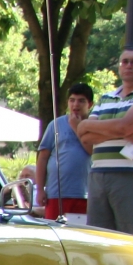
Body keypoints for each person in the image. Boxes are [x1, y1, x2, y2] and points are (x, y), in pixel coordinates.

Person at [75, 47, 133, 238]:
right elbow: (84, 134)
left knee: (132, 238)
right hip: (98, 175)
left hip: (132, 174)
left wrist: (119, 128)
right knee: (97, 238)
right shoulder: (106, 97)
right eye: (124, 61)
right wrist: (124, 131)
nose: (128, 65)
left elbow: (125, 125)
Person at [36, 84, 94, 219]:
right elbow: (43, 157)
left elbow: (93, 151)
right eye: (72, 100)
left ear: (90, 104)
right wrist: (39, 190)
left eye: (81, 101)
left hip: (84, 194)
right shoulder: (55, 124)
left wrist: (77, 128)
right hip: (57, 193)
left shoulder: (94, 124)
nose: (76, 105)